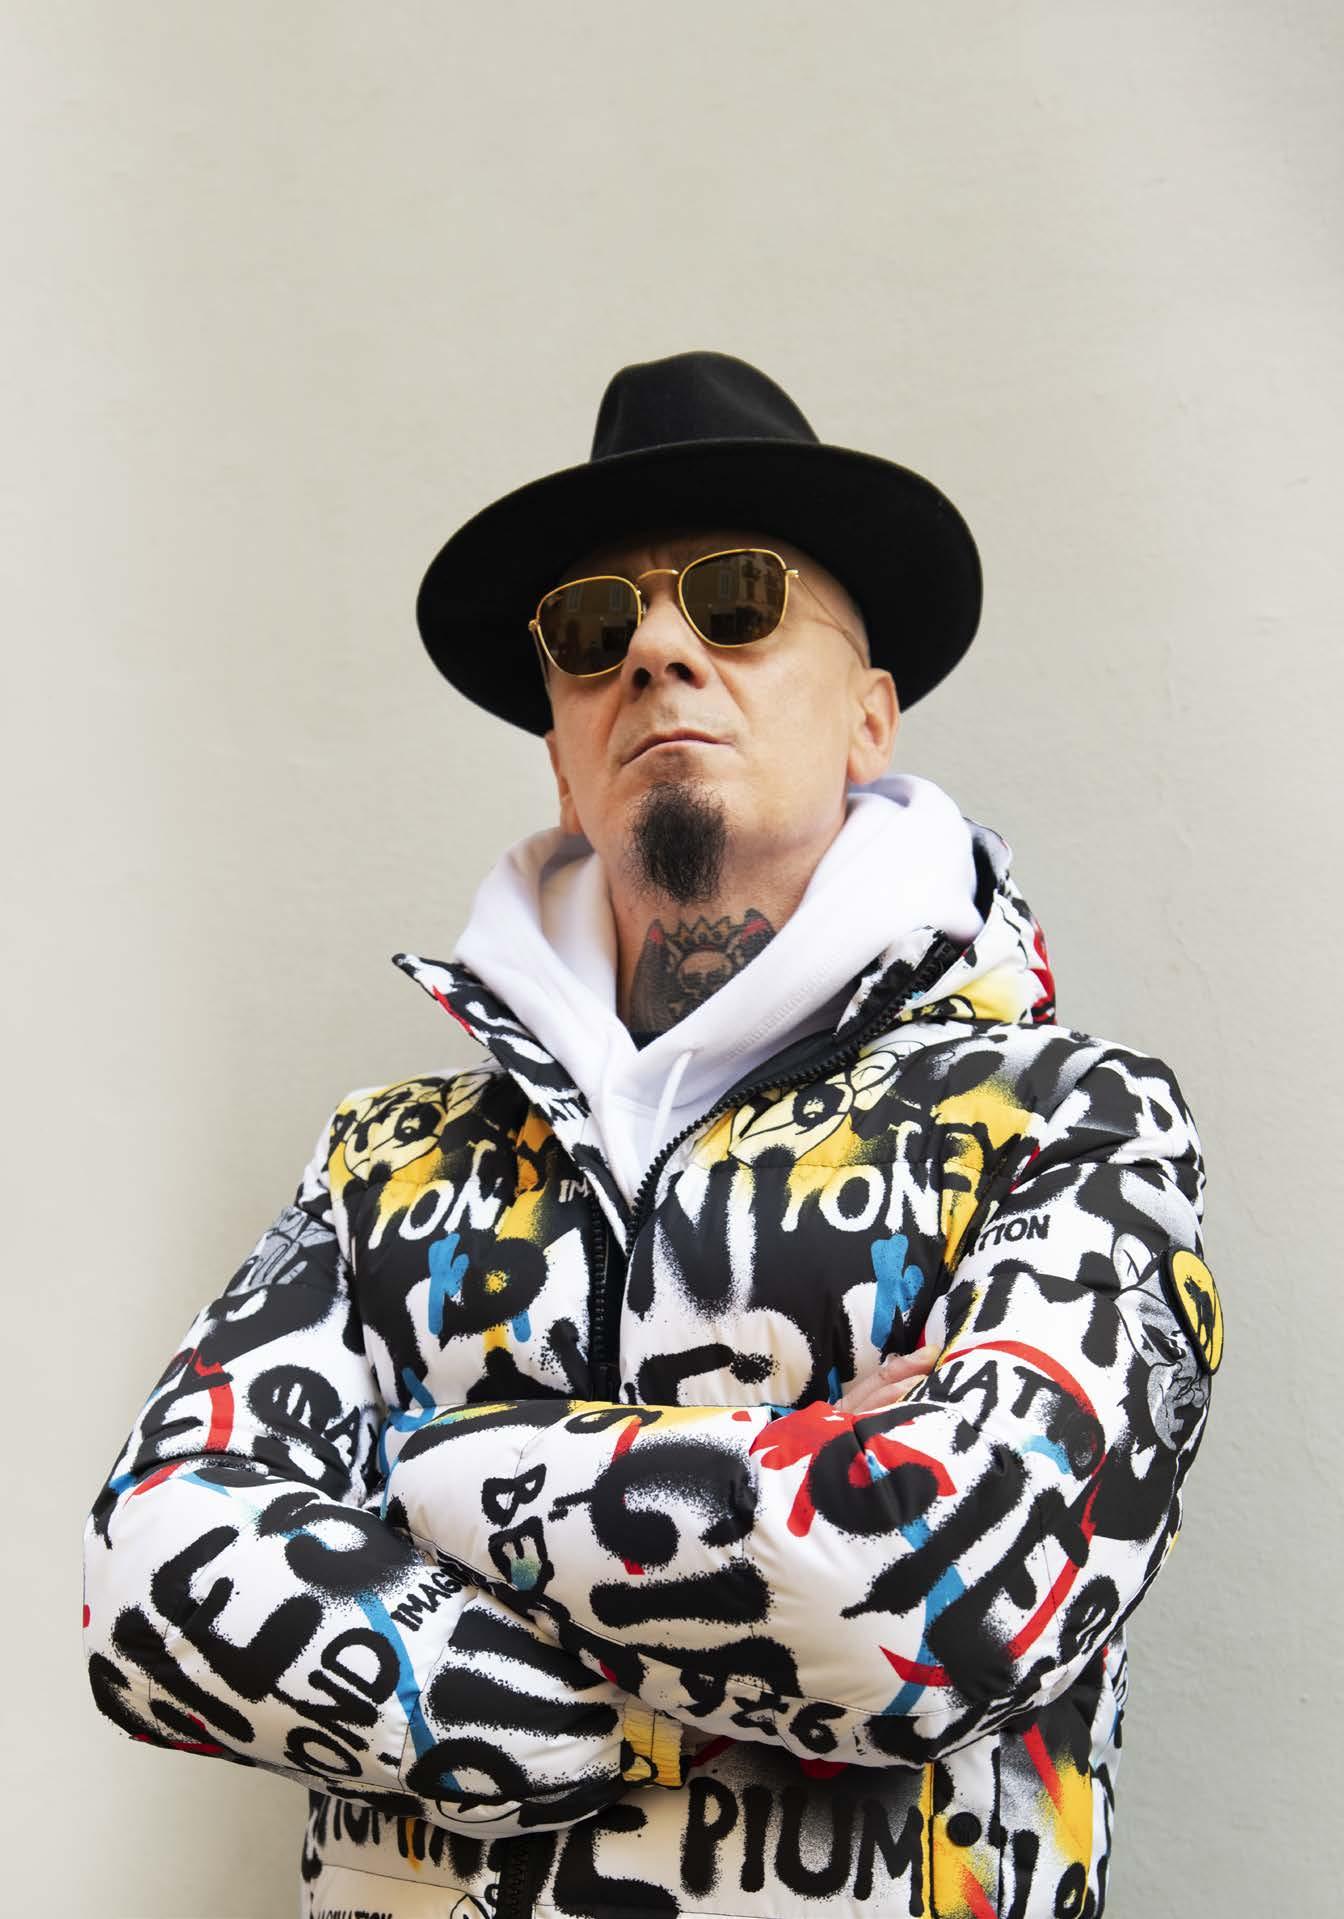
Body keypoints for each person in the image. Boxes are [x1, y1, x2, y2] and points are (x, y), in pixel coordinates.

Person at [83, 350, 1223, 1919]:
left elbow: (943, 1597)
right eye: (592, 626)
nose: (660, 649)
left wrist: (412, 1476)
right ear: (563, 748)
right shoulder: (382, 1166)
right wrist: (767, 1514)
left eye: (740, 602)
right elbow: (152, 1584)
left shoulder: (1074, 1119)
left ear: (869, 719)